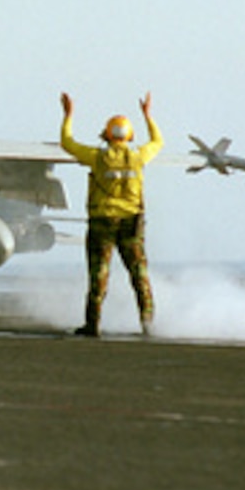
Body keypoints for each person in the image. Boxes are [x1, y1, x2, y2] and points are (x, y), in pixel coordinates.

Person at [60, 91, 163, 337]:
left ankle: (92, 325)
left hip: (102, 224)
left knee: (98, 276)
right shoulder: (138, 157)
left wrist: (68, 115)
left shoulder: (97, 157)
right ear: (129, 136)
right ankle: (148, 324)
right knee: (139, 275)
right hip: (132, 224)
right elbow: (158, 142)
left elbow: (67, 142)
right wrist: (148, 116)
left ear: (106, 134)